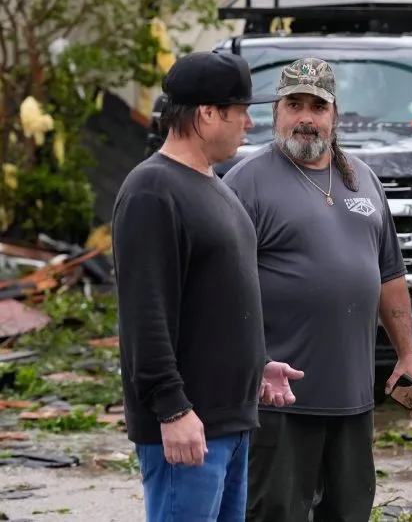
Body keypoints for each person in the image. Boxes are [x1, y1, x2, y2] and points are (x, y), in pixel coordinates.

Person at [221, 57, 412, 522]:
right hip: (279, 403)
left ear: (335, 115)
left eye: (318, 105)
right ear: (277, 111)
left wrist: (408, 357)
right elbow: (218, 292)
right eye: (294, 104)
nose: (306, 117)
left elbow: (390, 277)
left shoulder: (365, 181)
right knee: (277, 513)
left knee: (350, 511)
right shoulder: (245, 184)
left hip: (353, 401)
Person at [112, 51, 306, 522]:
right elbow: (145, 315)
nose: (249, 123)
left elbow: (215, 300)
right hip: (188, 428)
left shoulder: (215, 187)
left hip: (229, 420)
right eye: (240, 112)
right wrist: (172, 410)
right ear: (206, 114)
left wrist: (256, 366)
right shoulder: (152, 191)